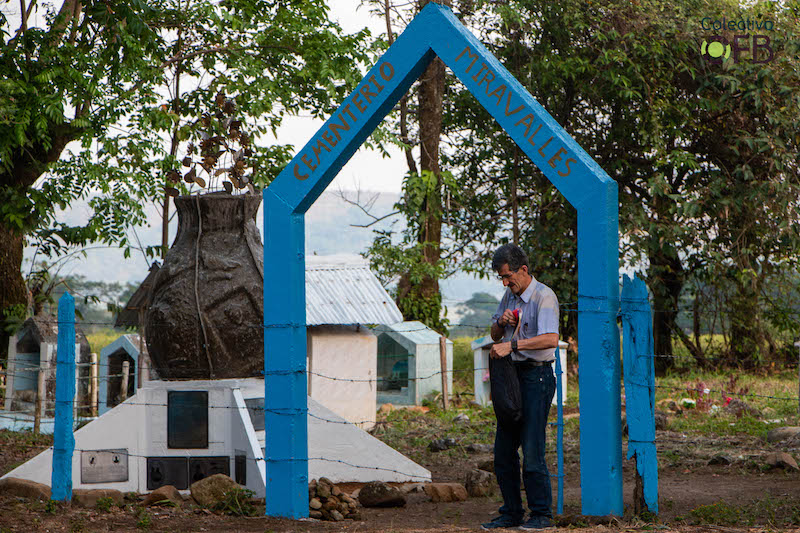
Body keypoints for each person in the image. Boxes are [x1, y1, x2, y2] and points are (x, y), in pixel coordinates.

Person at [481, 244, 559, 531]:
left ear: (523, 270)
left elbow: (550, 339)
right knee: (503, 450)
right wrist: (501, 324)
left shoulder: (544, 297)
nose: (505, 282)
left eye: (508, 276)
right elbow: (493, 333)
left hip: (537, 377)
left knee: (532, 447)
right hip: (512, 376)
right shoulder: (508, 296)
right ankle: (511, 511)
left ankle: (541, 514)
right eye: (501, 278)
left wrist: (511, 344)